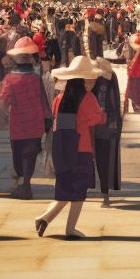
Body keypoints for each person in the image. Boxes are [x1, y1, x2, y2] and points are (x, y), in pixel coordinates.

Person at [37, 56, 107, 239]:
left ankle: (44, 218)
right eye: (89, 79)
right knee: (78, 193)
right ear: (81, 80)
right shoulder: (88, 98)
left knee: (65, 191)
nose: (91, 82)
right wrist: (103, 115)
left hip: (61, 148)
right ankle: (70, 229)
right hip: (81, 149)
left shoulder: (60, 98)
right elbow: (95, 119)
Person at [1, 37, 52, 200]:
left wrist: (0, 117)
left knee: (18, 155)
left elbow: (4, 101)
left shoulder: (9, 79)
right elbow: (44, 100)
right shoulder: (36, 78)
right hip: (35, 122)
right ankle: (26, 184)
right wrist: (47, 119)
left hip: (17, 124)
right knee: (30, 154)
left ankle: (24, 184)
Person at [91, 58, 123, 208]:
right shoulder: (111, 78)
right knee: (106, 158)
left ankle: (104, 190)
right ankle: (105, 190)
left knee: (102, 159)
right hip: (109, 125)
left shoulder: (97, 80)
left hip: (100, 126)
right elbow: (116, 103)